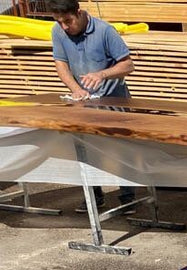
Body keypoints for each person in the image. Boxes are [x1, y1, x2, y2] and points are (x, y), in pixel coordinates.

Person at [49, 0, 136, 213]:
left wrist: (101, 74)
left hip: (114, 101)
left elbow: (128, 64)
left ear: (78, 13)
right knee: (85, 148)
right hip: (85, 102)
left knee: (121, 148)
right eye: (59, 22)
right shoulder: (58, 31)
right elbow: (60, 63)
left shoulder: (105, 31)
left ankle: (128, 197)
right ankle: (94, 197)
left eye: (68, 21)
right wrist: (75, 89)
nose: (64, 27)